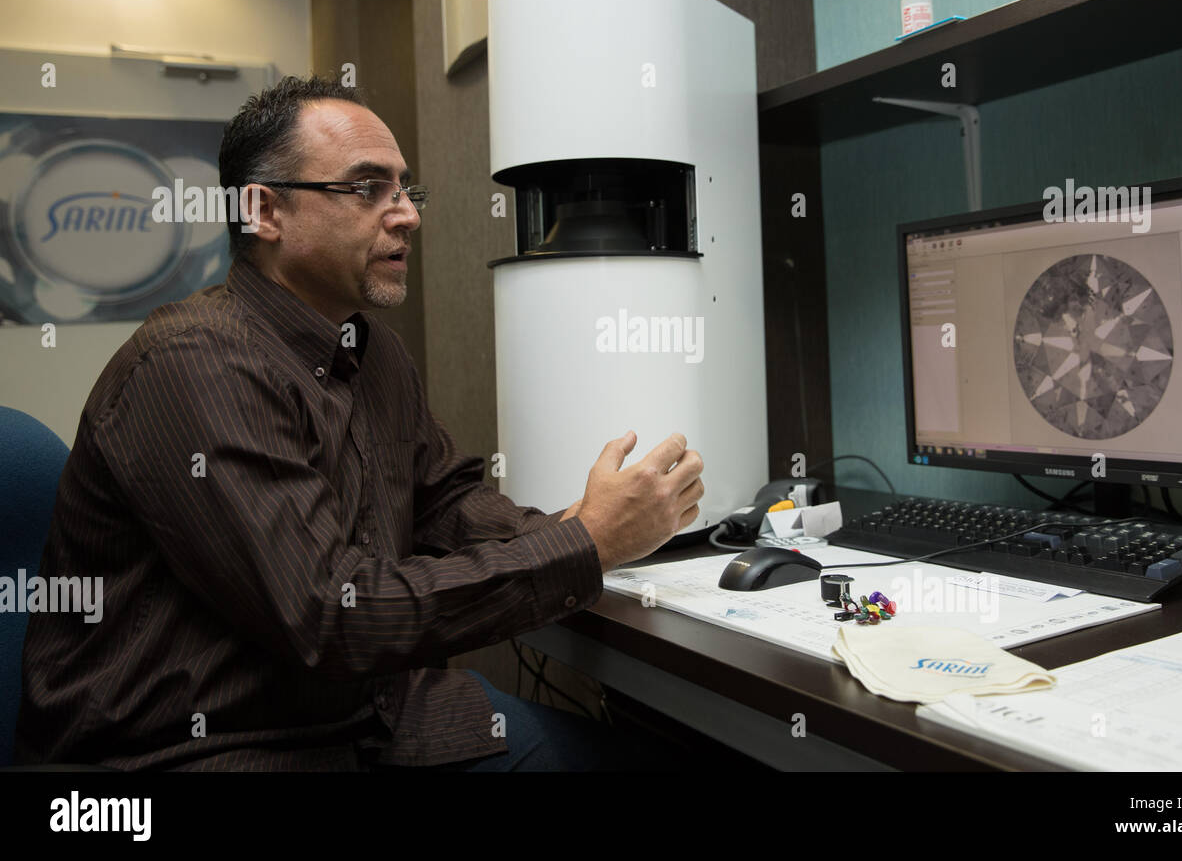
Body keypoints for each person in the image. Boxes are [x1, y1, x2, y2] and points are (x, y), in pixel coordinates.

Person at [15, 75, 704, 771]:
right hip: (207, 748)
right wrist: (584, 546)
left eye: (406, 189)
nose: (406, 215)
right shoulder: (194, 364)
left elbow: (447, 498)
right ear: (264, 212)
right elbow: (331, 616)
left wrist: (581, 523)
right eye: (367, 188)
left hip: (374, 715)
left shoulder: (368, 349)